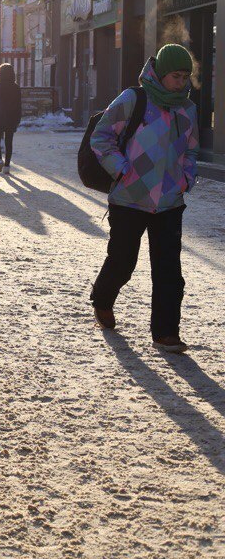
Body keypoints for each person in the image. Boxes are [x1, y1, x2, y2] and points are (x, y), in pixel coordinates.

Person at [89, 45, 199, 354]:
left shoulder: (187, 109)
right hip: (128, 199)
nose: (181, 83)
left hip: (169, 202)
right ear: (161, 74)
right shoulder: (133, 100)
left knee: (169, 271)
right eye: (176, 76)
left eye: (185, 77)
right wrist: (122, 170)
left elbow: (191, 151)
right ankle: (103, 298)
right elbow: (101, 138)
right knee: (123, 262)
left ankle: (166, 333)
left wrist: (185, 179)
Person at [0, 63, 22, 174]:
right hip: (11, 118)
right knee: (8, 142)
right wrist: (17, 120)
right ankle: (7, 166)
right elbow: (18, 105)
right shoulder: (16, 87)